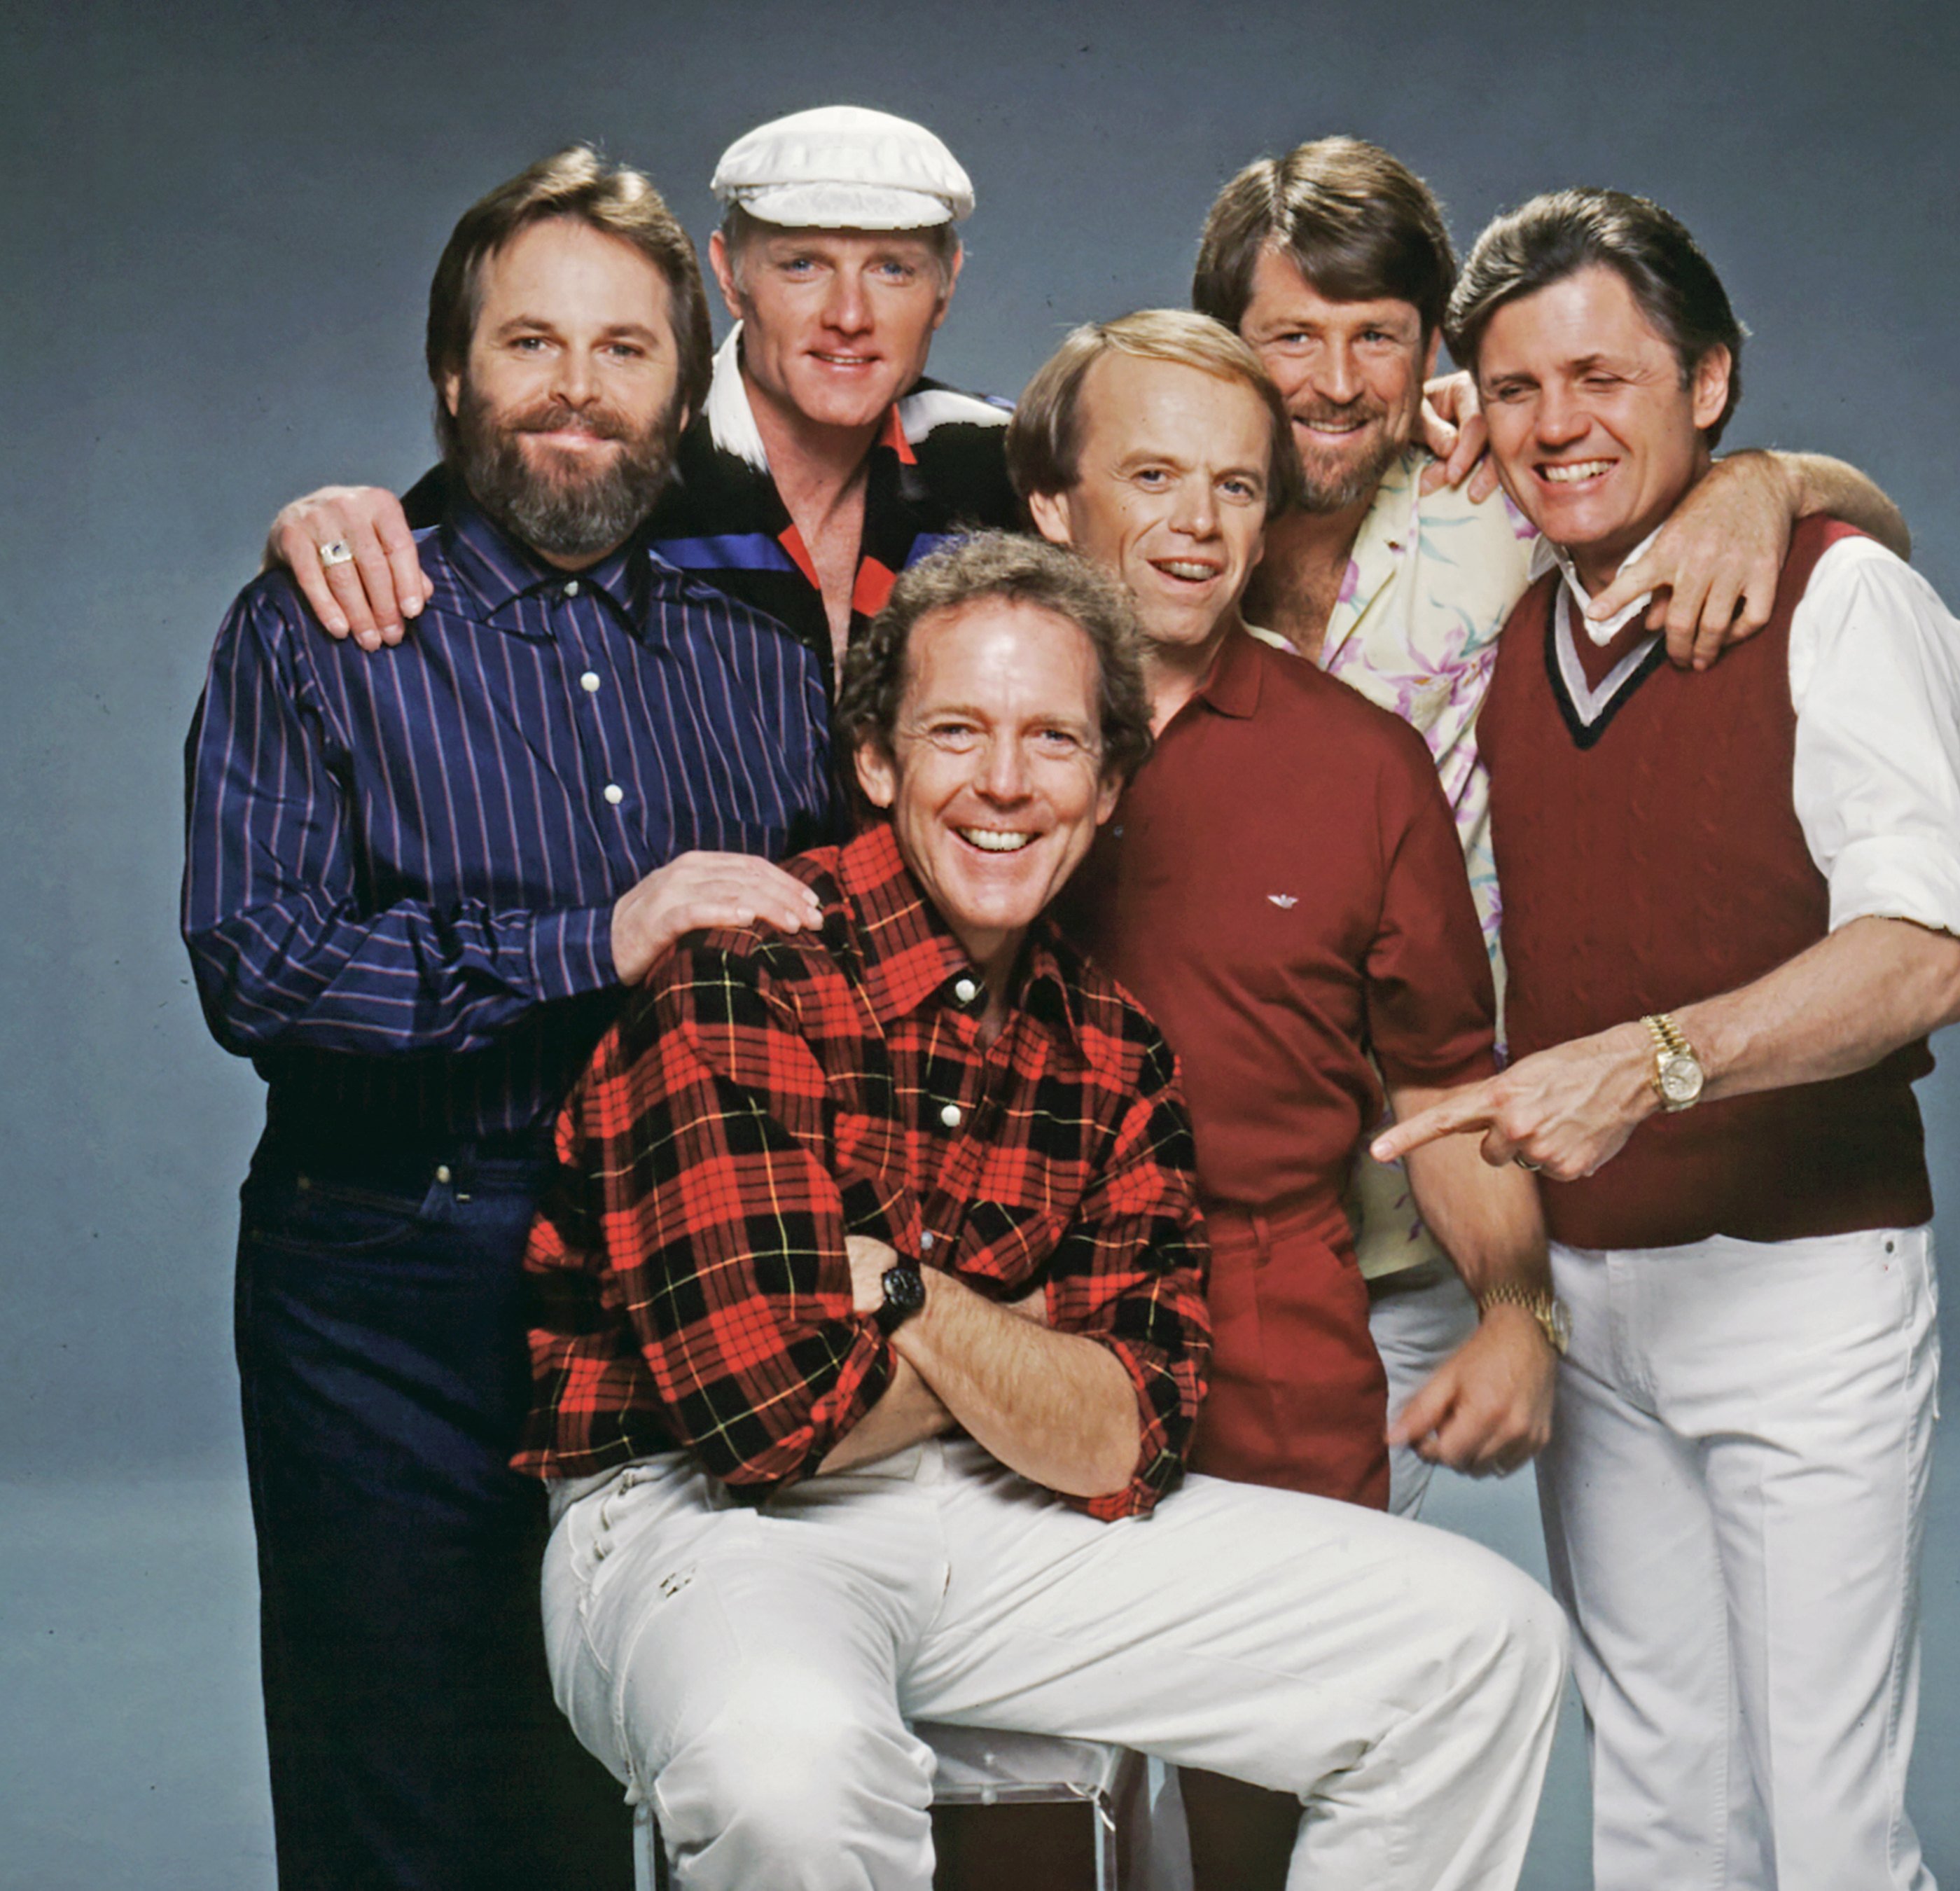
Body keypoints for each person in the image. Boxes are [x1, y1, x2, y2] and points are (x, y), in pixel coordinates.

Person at [515, 531, 1571, 1891]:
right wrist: (1030, 1352)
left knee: (1481, 1647)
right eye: (957, 732)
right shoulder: (746, 981)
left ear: (1110, 780)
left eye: (1054, 741)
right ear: (878, 762)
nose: (1004, 783)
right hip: (701, 1531)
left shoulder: (1115, 1053)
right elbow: (764, 1418)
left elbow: (1131, 1426)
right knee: (793, 1773)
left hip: (990, 1520)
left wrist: (903, 1293)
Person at [181, 146, 834, 1891]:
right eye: (530, 342)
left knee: (618, 1758)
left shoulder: (764, 636)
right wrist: (591, 937)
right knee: (403, 1788)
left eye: (625, 350)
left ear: (685, 390)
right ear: (451, 374)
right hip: (391, 1277)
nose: (576, 389)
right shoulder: (325, 624)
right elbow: (262, 965)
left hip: (672, 1264)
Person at [1377, 186, 1960, 1891]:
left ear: (1709, 384)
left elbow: (1924, 951)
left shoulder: (1833, 594)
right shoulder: (1513, 621)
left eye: (1603, 376)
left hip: (1800, 1280)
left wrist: (1654, 1059)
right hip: (1592, 1293)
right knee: (1656, 1799)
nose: (1556, 424)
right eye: (1512, 389)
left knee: (1823, 1820)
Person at [1193, 136, 1917, 1514]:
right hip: (1199, 1213)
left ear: (1429, 355)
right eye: (1289, 335)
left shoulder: (1501, 500)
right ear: (1224, 345)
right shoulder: (1154, 520)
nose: (1335, 383)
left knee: (1314, 1666)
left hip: (1449, 1204)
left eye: (1377, 339)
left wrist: (1761, 482)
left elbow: (1864, 525)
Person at [1010, 309, 1562, 1880]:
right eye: (1154, 477)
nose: (1197, 525)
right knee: (1014, 1819)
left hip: (1270, 1318)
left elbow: (1449, 1085)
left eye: (1237, 488)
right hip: (997, 1324)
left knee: (1276, 1815)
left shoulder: (1361, 765)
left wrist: (1521, 1313)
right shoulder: (965, 734)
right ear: (1055, 501)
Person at [267, 105, 1017, 698]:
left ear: (947, 282)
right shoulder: (606, 445)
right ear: (728, 274)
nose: (849, 315)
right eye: (802, 265)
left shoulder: (1004, 462)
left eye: (893, 269)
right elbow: (381, 558)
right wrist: (318, 528)